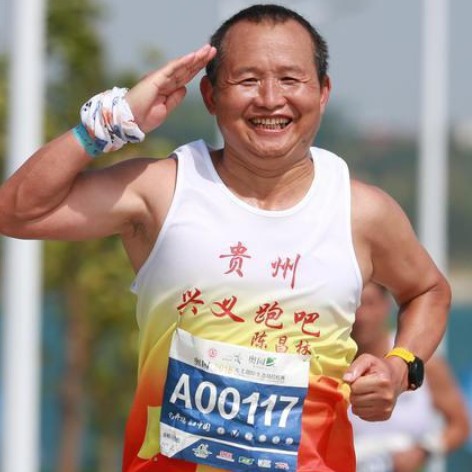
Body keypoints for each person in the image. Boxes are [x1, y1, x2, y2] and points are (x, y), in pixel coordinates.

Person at [0, 4, 451, 472]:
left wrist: (400, 367)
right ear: (211, 95)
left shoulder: (361, 211)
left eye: (291, 80)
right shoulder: (163, 190)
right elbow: (17, 211)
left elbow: (428, 290)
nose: (270, 99)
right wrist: (113, 120)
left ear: (322, 92)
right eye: (248, 80)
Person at [350, 283, 469, 472]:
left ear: (386, 305)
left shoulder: (422, 363)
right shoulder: (330, 365)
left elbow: (459, 425)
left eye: (370, 304)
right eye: (355, 306)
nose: (362, 315)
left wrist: (424, 451)